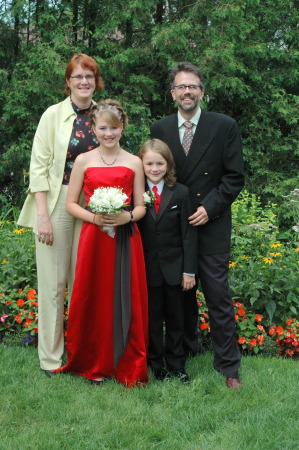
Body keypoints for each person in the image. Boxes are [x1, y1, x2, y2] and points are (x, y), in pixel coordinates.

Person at [150, 62, 245, 390]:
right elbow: (156, 174)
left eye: (193, 86)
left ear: (202, 91)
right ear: (173, 93)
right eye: (180, 87)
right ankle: (186, 352)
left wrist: (210, 207)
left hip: (212, 224)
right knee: (181, 297)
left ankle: (228, 365)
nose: (187, 92)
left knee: (217, 295)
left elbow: (235, 177)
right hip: (176, 230)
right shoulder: (160, 128)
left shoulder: (224, 126)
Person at [17, 54, 104, 375]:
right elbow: (37, 168)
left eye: (90, 77)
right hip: (55, 206)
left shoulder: (102, 115)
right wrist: (42, 215)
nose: (84, 82)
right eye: (78, 77)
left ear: (96, 82)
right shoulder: (52, 116)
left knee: (86, 284)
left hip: (94, 207)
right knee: (54, 287)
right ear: (67, 81)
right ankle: (51, 359)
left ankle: (82, 354)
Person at [54, 99, 148, 387]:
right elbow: (71, 204)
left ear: (123, 128)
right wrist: (95, 219)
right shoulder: (83, 160)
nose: (109, 134)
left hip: (125, 238)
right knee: (93, 294)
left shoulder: (134, 161)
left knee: (124, 295)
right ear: (93, 129)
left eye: (114, 128)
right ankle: (93, 362)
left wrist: (127, 216)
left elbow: (142, 206)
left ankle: (124, 362)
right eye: (103, 128)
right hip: (94, 239)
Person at [138, 139, 198, 384]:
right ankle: (156, 364)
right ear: (141, 164)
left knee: (176, 319)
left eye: (159, 163)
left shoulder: (181, 193)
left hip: (175, 270)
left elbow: (189, 234)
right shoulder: (135, 193)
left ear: (168, 165)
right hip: (146, 269)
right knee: (152, 320)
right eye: (149, 163)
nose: (154, 168)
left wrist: (189, 271)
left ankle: (177, 364)